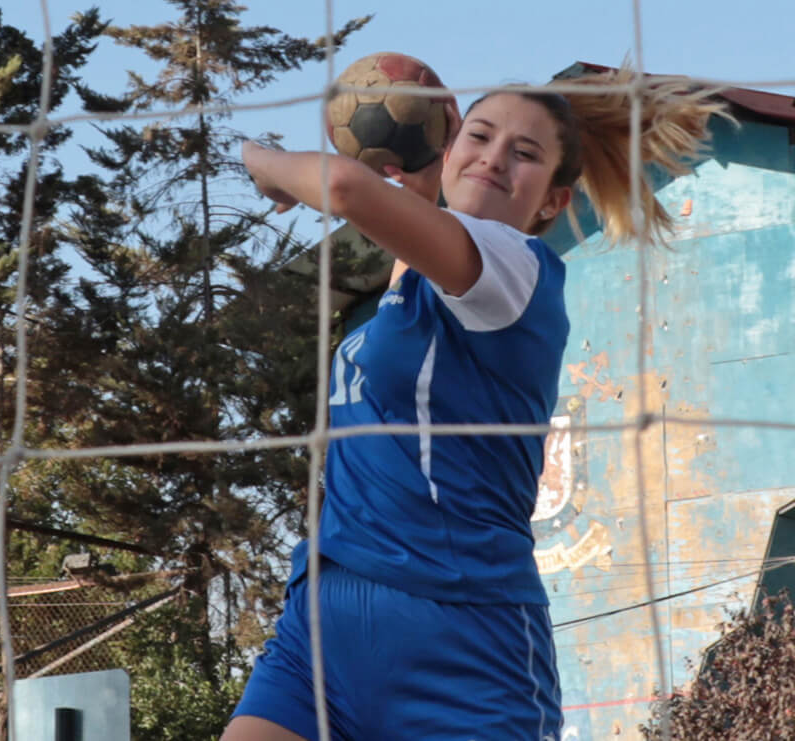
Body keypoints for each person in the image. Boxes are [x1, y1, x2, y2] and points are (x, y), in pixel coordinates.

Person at [223, 67, 729, 741]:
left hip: (462, 645)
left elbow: (344, 187)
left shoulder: (515, 268)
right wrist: (424, 172)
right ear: (452, 145)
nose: (494, 157)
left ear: (551, 202)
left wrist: (261, 161)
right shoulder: (420, 279)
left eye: (523, 154)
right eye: (481, 137)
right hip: (327, 620)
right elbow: (417, 228)